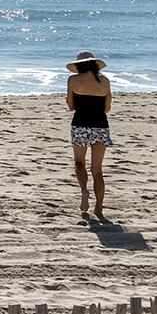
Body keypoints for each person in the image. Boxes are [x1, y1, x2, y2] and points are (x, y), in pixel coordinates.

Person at [64, 52, 114, 223]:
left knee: (79, 162)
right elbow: (107, 108)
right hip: (101, 126)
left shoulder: (73, 80)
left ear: (79, 65)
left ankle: (84, 191)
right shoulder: (105, 81)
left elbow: (71, 105)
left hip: (80, 124)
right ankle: (99, 206)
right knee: (97, 170)